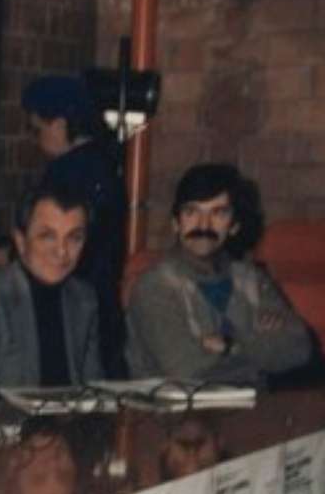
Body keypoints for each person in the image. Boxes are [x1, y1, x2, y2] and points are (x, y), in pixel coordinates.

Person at [126, 162, 313, 386]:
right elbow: (187, 371)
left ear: (233, 226)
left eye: (218, 213)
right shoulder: (156, 286)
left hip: (249, 411)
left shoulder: (252, 280)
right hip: (172, 415)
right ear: (176, 223)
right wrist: (261, 353)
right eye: (192, 212)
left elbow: (300, 349)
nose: (203, 225)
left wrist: (229, 346)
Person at [0, 184, 104, 387]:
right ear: (20, 241)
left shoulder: (83, 298)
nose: (62, 252)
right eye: (47, 236)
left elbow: (94, 390)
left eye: (74, 238)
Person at [24, 72, 129, 377]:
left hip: (71, 301)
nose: (37, 139)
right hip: (103, 301)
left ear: (58, 124)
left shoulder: (65, 173)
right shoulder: (105, 164)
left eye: (37, 129)